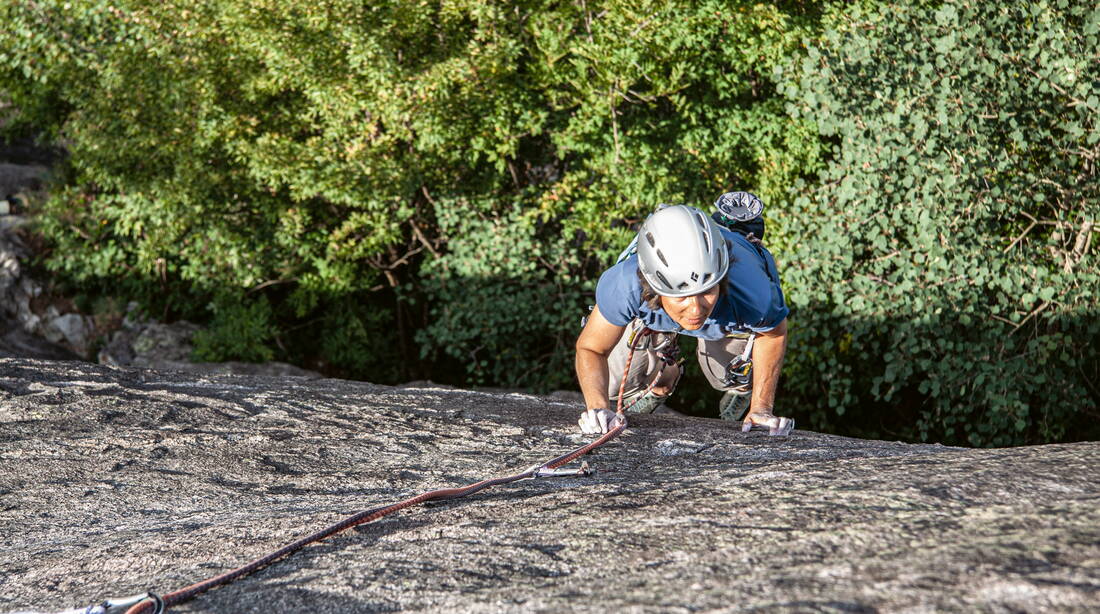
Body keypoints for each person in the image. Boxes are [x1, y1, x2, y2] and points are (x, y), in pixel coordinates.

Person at [574, 202, 793, 436]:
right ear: (654, 288)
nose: (696, 309)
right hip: (654, 313)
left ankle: (739, 387)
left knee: (724, 377)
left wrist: (761, 407)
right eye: (682, 297)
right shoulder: (625, 286)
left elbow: (773, 334)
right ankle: (662, 381)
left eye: (706, 292)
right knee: (614, 386)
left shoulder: (751, 289)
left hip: (723, 316)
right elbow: (591, 348)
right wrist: (597, 407)